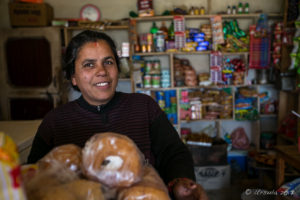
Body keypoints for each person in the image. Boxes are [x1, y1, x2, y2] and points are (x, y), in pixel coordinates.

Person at [27, 30, 208, 200]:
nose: (102, 72)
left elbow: (173, 152)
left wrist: (180, 181)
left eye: (108, 62)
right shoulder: (55, 122)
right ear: (73, 77)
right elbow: (34, 176)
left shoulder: (143, 106)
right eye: (89, 65)